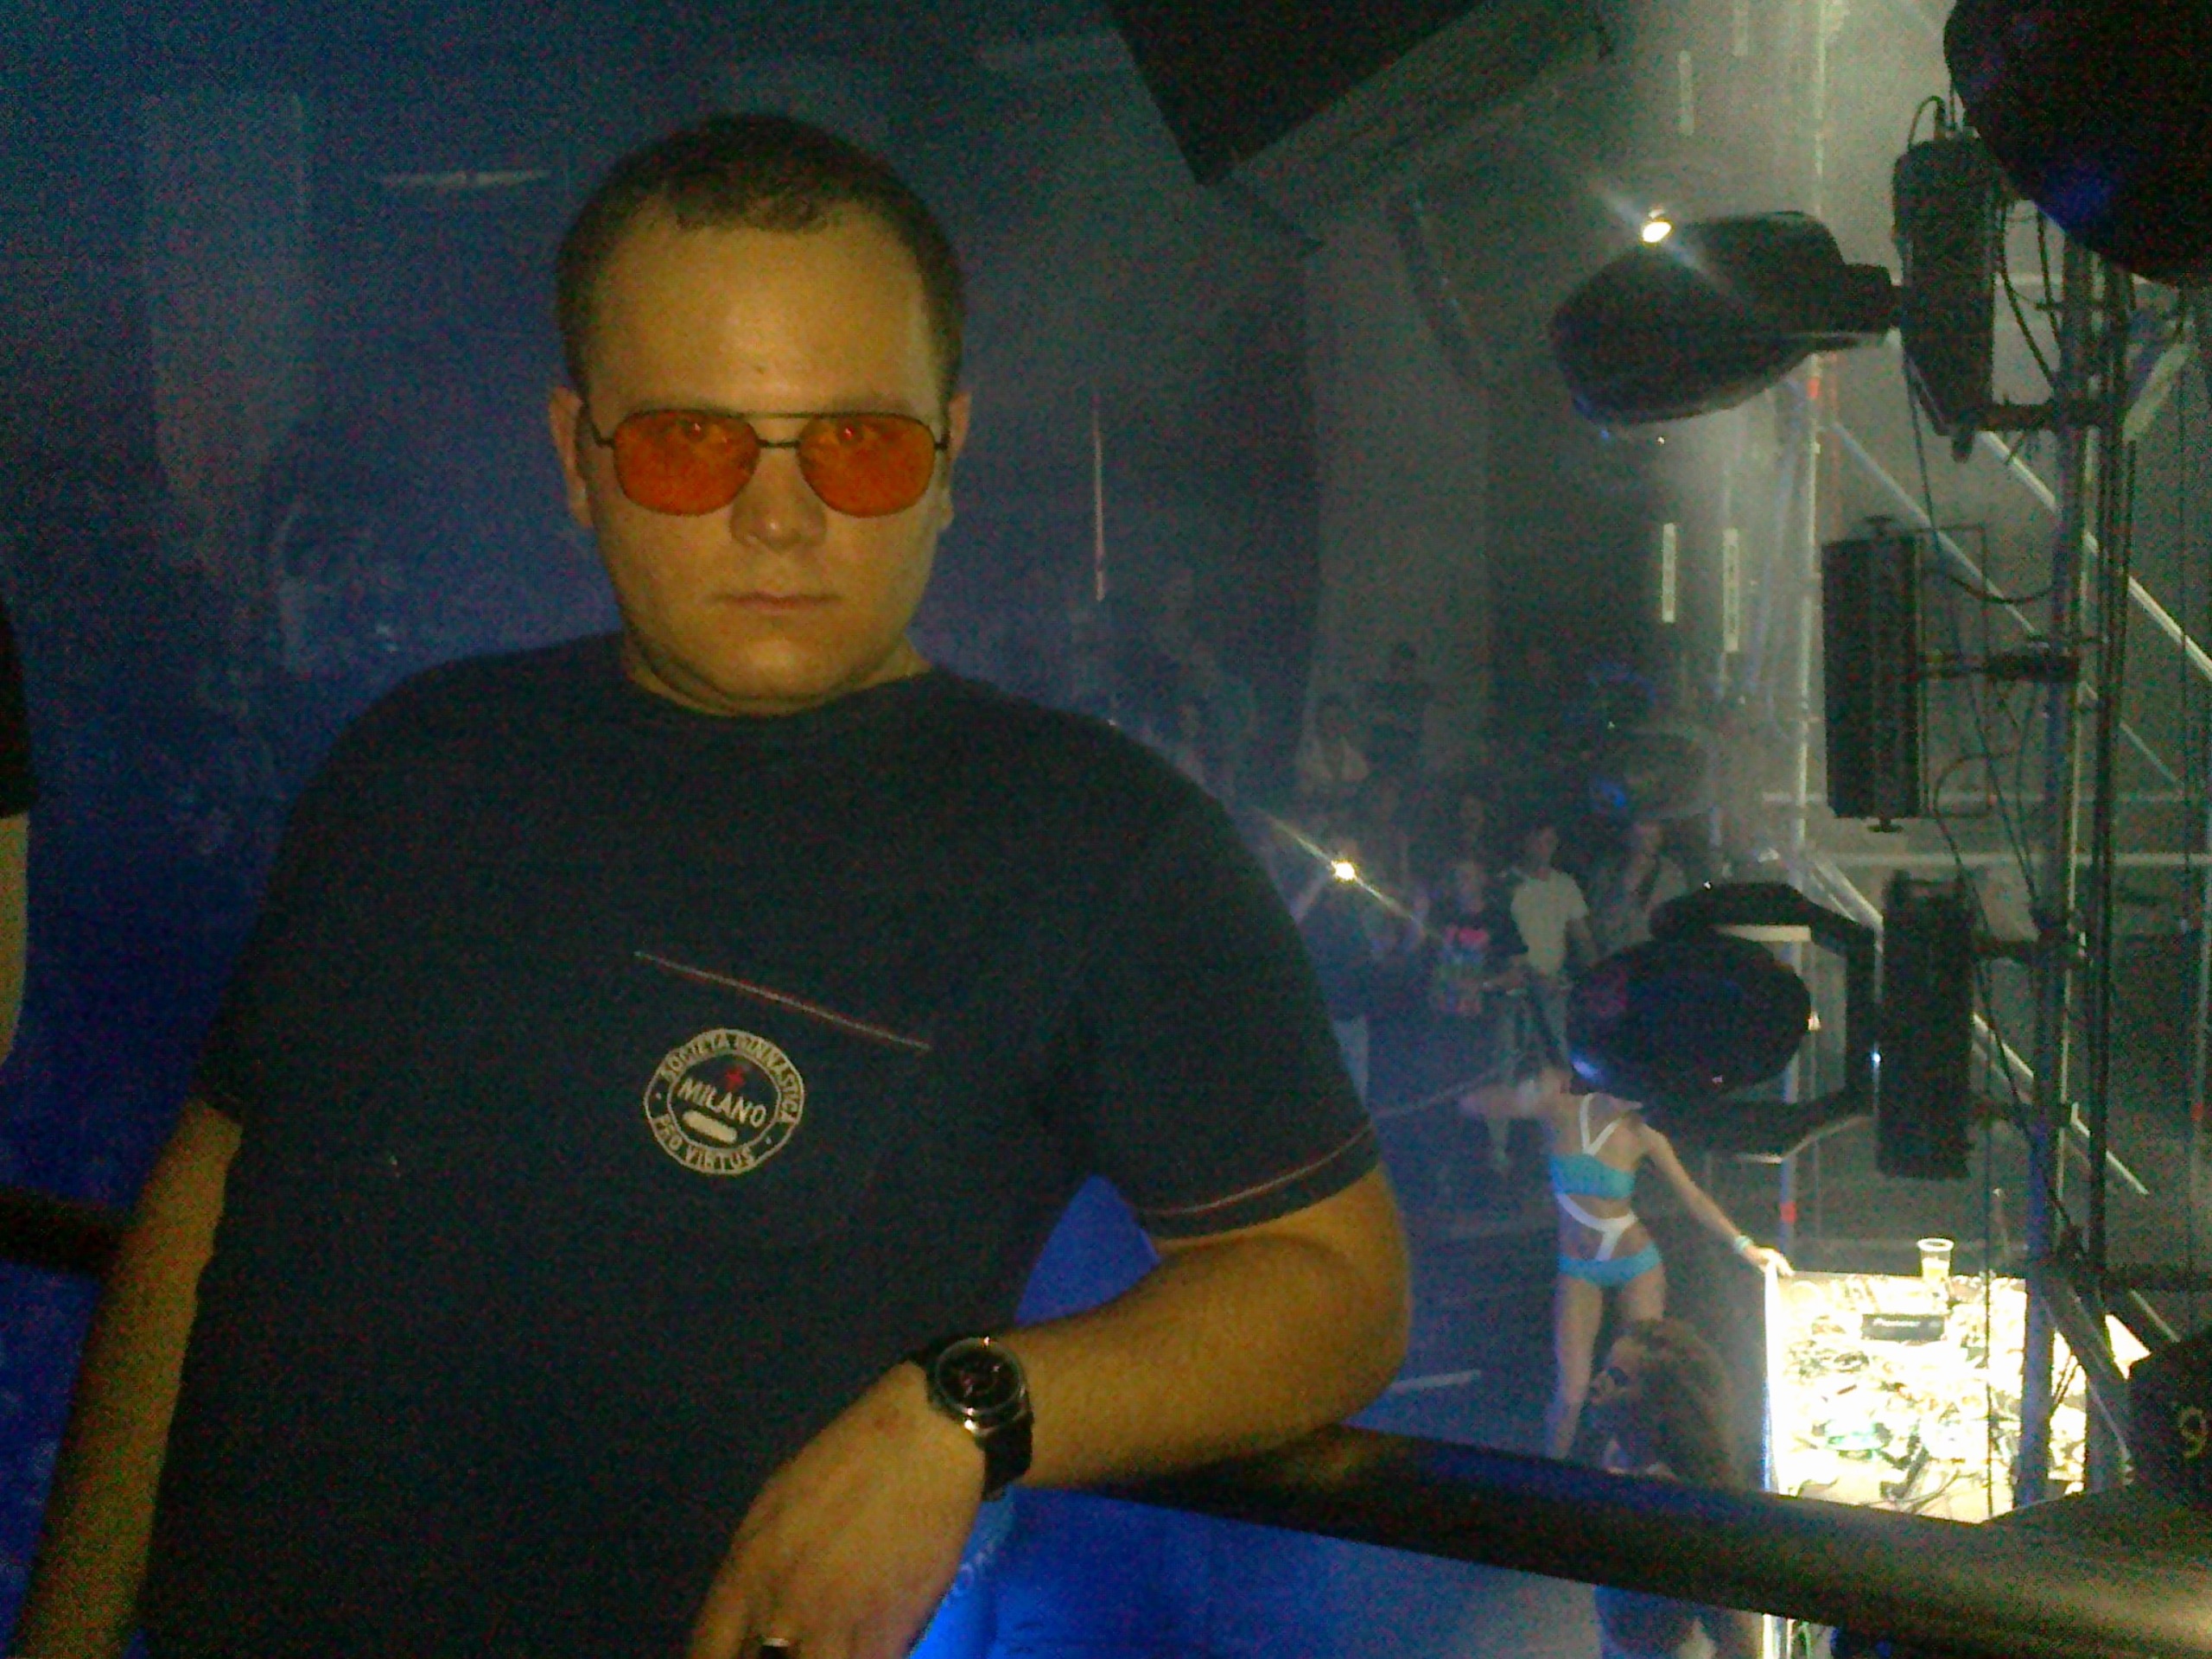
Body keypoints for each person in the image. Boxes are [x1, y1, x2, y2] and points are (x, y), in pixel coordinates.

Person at [16, 114, 1410, 1659]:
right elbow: (208, 1208)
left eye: (857, 443)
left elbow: (1332, 1288)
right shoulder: (418, 760)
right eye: (693, 441)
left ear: (949, 456)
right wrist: (66, 1629)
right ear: (578, 458)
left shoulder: (1097, 846)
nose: (780, 514)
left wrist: (963, 1417)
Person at [1467, 1063, 1786, 1459]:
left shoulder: (1644, 1132)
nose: (1638, 1101)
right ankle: (1547, 1476)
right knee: (1571, 1392)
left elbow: (1693, 1197)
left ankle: (1621, 1474)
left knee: (1637, 1386)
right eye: (1634, 1089)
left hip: (1635, 1262)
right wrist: (1529, 1091)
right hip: (1578, 1266)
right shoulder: (1561, 1109)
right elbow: (1472, 1104)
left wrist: (1746, 1247)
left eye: (1645, 1096)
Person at [1586, 1319, 1762, 1659]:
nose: (1596, 1384)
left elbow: (1737, 1642)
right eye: (1605, 1370)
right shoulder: (1618, 1453)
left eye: (1618, 1379)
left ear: (1659, 1408)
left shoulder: (1668, 1505)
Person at [1414, 854, 1526, 1179]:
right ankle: (1444, 1164)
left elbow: (1517, 974)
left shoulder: (1498, 919)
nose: (1461, 882)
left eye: (1468, 875)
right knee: (1442, 1091)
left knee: (1478, 1092)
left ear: (1482, 880)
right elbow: (1416, 952)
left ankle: (1483, 1164)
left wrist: (1482, 984)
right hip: (1442, 1020)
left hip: (1482, 1023)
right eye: (1457, 876)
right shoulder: (1441, 915)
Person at [1504, 818, 1593, 1069]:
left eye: (1549, 842)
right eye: (1537, 842)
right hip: (1515, 987)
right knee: (1513, 1063)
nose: (1543, 849)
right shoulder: (1506, 884)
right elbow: (1501, 940)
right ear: (1525, 843)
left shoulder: (1565, 885)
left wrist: (1596, 976)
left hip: (1554, 986)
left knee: (1563, 1057)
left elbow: (1582, 937)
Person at [1588, 818, 1691, 960]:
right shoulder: (1607, 872)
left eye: (1652, 826)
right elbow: (1599, 930)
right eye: (1642, 826)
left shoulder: (1673, 876)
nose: (1646, 837)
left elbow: (1679, 927)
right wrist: (1624, 888)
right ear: (1628, 834)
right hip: (1618, 962)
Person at [1294, 693, 1370, 807]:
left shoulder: (1355, 757)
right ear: (1319, 721)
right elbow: (1302, 796)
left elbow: (1364, 791)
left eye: (1338, 718)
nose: (1333, 724)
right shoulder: (1306, 756)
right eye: (1328, 718)